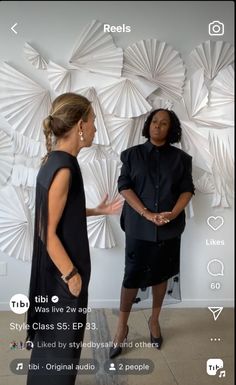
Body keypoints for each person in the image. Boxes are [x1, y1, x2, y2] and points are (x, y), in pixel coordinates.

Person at [26, 92, 121, 385]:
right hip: (63, 279)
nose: (95, 128)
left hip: (58, 277)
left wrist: (95, 210)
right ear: (80, 125)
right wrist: (72, 276)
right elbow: (47, 231)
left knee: (56, 349)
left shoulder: (57, 161)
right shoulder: (64, 168)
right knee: (61, 355)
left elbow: (60, 214)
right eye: (92, 122)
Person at [110, 108, 195, 358]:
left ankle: (154, 321)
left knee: (161, 276)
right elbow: (124, 187)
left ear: (171, 129)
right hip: (138, 227)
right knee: (131, 277)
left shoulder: (182, 159)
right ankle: (121, 328)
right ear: (148, 126)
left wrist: (173, 213)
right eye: (154, 122)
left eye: (164, 123)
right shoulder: (131, 155)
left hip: (169, 229)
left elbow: (187, 190)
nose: (158, 126)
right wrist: (146, 214)